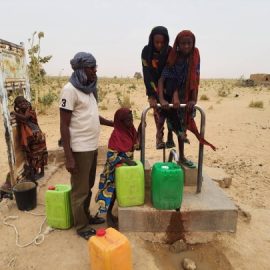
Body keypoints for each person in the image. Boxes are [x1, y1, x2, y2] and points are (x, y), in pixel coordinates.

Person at [59, 52, 113, 240]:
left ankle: (86, 217)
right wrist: (69, 157)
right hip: (79, 148)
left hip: (91, 146)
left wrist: (112, 123)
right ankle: (81, 226)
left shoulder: (89, 89)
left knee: (88, 186)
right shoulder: (69, 90)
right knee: (80, 190)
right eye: (91, 67)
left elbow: (91, 115)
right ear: (81, 69)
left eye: (95, 66)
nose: (95, 70)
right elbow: (64, 125)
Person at [158, 30, 216, 167]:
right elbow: (163, 79)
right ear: (178, 44)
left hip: (187, 96)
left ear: (193, 43)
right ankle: (176, 152)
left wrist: (193, 100)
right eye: (183, 43)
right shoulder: (174, 57)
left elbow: (195, 78)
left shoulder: (195, 56)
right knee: (174, 125)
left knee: (183, 127)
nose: (186, 46)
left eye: (189, 43)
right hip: (171, 95)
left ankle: (182, 156)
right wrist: (164, 98)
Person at [96, 108, 138, 228]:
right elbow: (111, 157)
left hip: (124, 169)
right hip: (114, 170)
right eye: (128, 121)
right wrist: (125, 160)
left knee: (119, 191)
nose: (131, 122)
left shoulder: (130, 130)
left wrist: (140, 130)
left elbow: (136, 145)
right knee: (112, 193)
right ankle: (108, 216)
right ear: (120, 121)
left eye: (132, 119)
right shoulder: (116, 135)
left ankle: (110, 215)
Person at [141, 26, 175, 149]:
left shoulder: (170, 51)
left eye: (162, 42)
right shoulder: (146, 51)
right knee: (158, 114)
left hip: (168, 86)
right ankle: (159, 138)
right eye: (157, 42)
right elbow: (146, 73)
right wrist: (151, 95)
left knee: (171, 114)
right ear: (152, 40)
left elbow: (172, 72)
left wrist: (172, 93)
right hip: (153, 86)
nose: (159, 45)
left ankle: (170, 137)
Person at [12, 96, 48, 180]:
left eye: (24, 102)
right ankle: (34, 172)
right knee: (32, 155)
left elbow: (25, 119)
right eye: (20, 103)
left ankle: (41, 172)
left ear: (27, 102)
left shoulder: (30, 111)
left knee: (41, 154)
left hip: (38, 136)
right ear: (17, 106)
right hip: (31, 138)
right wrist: (16, 113)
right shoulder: (21, 112)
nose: (23, 104)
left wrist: (14, 113)